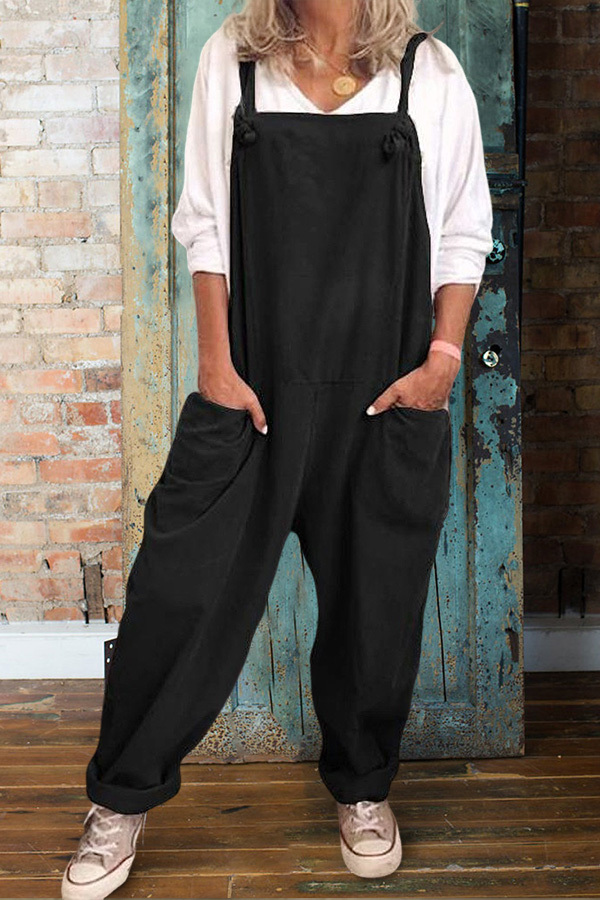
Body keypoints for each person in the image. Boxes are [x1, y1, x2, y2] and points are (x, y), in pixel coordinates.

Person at [62, 0, 494, 896]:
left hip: (383, 398)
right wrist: (215, 367)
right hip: (252, 393)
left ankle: (363, 788)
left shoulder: (429, 72)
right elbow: (205, 223)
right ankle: (120, 798)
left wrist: (441, 365)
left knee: (376, 609)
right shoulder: (236, 58)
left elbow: (462, 228)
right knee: (178, 595)